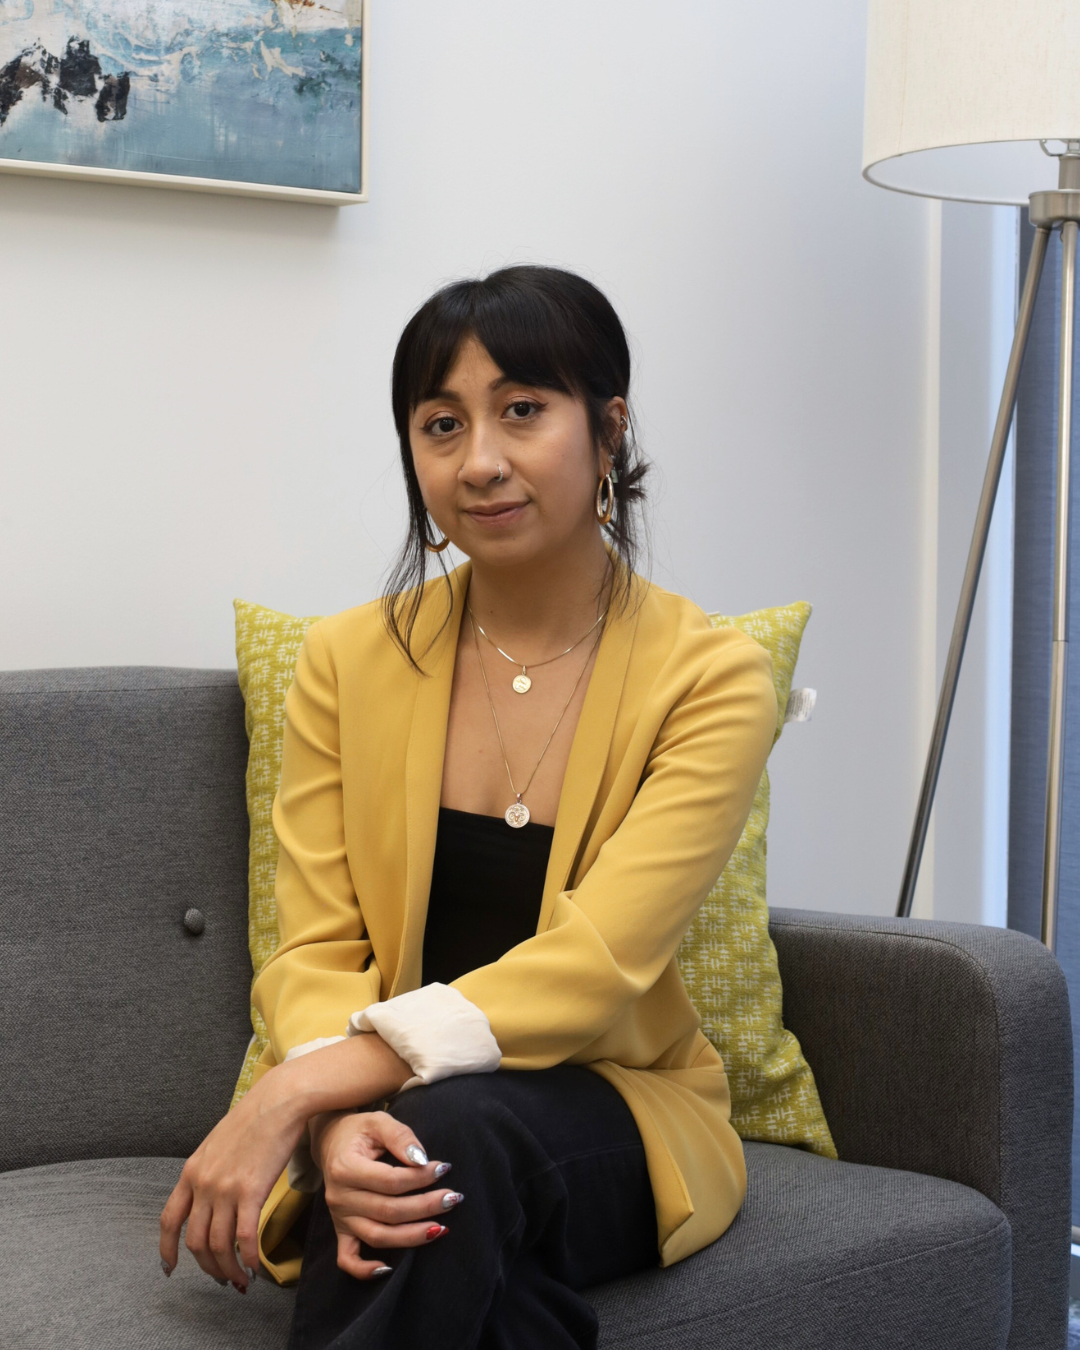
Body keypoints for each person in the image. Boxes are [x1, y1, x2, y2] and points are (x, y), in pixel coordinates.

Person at [158, 265, 777, 1349]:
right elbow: (311, 947)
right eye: (442, 424)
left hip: (615, 1107)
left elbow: (593, 973)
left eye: (523, 411)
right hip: (395, 1112)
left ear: (610, 428)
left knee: (444, 1143)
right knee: (442, 1196)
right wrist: (341, 1119)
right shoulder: (346, 661)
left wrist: (287, 1100)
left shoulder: (710, 677)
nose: (480, 460)